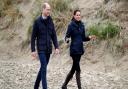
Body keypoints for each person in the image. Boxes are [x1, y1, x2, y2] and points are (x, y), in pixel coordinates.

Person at [62, 10, 96, 89]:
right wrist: (67, 40)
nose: (78, 16)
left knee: (73, 69)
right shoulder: (71, 25)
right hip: (74, 50)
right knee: (78, 70)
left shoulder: (82, 25)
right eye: (77, 15)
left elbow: (83, 38)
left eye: (79, 15)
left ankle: (64, 85)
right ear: (74, 16)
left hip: (80, 50)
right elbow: (66, 36)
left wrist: (89, 37)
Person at [31, 3, 59, 89]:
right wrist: (33, 50)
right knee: (44, 68)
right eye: (47, 9)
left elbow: (54, 35)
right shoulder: (37, 22)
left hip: (48, 49)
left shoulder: (50, 21)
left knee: (43, 67)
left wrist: (56, 47)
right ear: (43, 10)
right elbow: (33, 37)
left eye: (49, 10)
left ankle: (35, 86)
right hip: (41, 49)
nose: (49, 11)